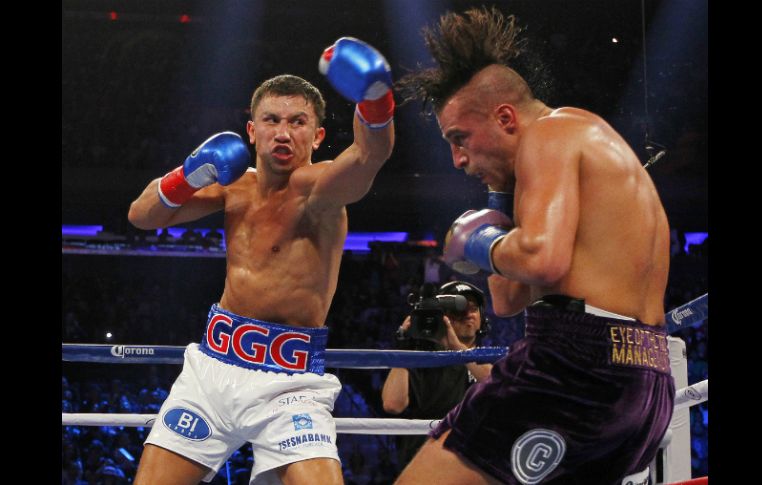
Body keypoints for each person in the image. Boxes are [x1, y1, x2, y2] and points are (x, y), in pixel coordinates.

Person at [394, 7, 674, 485]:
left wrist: (475, 242)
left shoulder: (550, 132)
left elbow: (542, 259)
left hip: (575, 369)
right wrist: (499, 202)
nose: (457, 159)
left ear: (505, 117)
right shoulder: (577, 150)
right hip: (646, 378)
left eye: (460, 138)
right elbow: (507, 300)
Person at [127, 36, 395, 485]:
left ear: (317, 136)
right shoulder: (234, 187)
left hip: (290, 384)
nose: (283, 133)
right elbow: (142, 216)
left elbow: (370, 155)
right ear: (252, 131)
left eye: (297, 122)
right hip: (213, 369)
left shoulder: (319, 191)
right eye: (271, 120)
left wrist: (375, 99)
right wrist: (187, 173)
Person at [381, 281, 492, 470]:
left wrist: (458, 348)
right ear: (443, 317)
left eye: (473, 308)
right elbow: (393, 405)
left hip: (475, 462)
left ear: (482, 317)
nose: (467, 314)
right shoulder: (421, 359)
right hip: (427, 461)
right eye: (459, 309)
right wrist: (403, 348)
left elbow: (497, 383)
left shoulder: (493, 357)